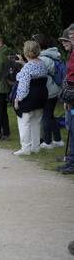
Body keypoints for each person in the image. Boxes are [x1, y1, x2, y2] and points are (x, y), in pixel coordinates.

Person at [12, 40, 48, 156]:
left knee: (24, 122)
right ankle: (36, 146)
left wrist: (17, 99)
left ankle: (26, 148)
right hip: (41, 96)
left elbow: (23, 87)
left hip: (29, 98)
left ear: (26, 52)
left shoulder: (27, 68)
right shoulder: (42, 64)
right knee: (36, 122)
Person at [32, 34, 65, 149]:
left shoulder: (44, 58)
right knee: (50, 116)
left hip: (48, 91)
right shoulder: (53, 54)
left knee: (45, 117)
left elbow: (36, 75)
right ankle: (57, 139)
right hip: (54, 89)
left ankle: (47, 142)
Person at [57, 25, 74, 175]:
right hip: (70, 97)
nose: (66, 41)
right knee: (71, 128)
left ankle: (72, 161)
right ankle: (70, 160)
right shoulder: (71, 54)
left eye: (68, 38)